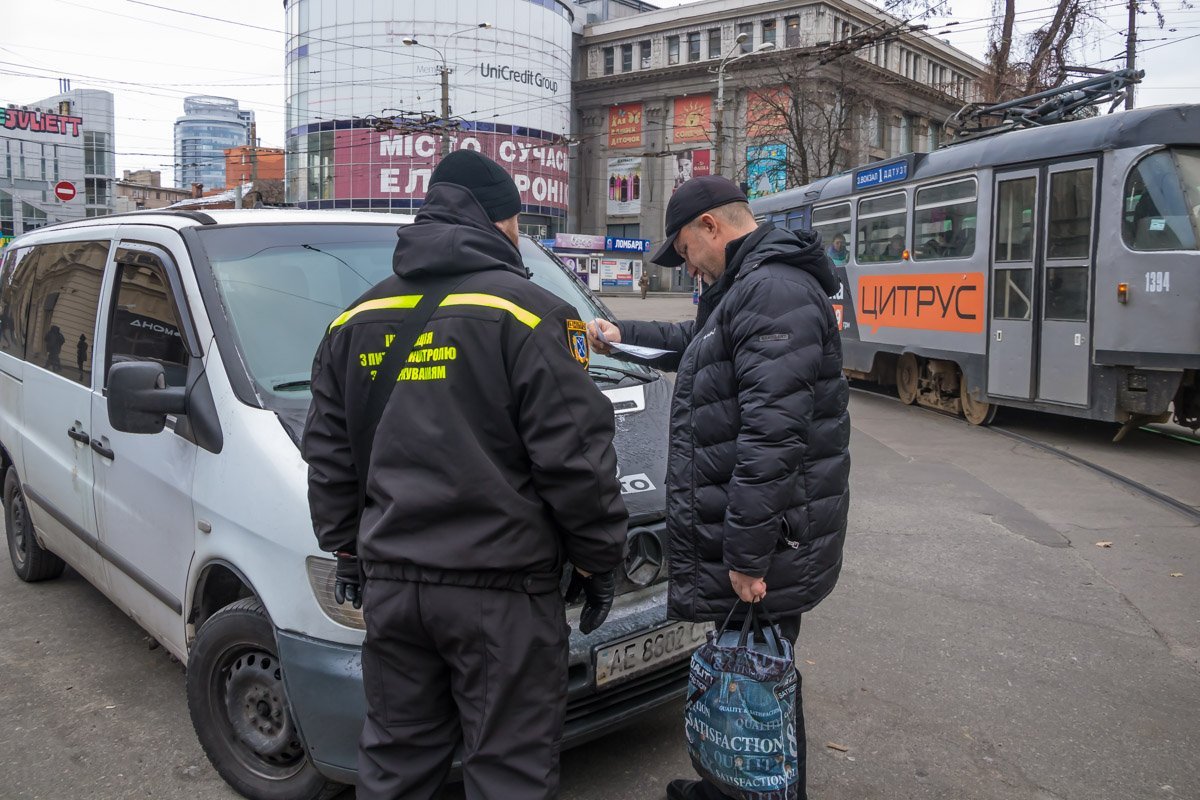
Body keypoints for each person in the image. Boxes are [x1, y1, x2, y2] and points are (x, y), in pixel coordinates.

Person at [303, 149, 629, 800]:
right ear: (502, 224)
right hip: (501, 594)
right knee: (506, 771)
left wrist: (346, 549)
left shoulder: (352, 321)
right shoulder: (532, 314)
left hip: (393, 589)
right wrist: (599, 562)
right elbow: (576, 463)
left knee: (397, 764)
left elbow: (330, 456)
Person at [587, 175, 850, 800]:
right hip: (772, 530)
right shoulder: (747, 288)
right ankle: (740, 786)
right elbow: (699, 345)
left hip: (773, 538)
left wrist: (746, 554)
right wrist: (624, 335)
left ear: (712, 226)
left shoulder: (773, 290)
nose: (685, 264)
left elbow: (772, 436)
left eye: (683, 249)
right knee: (754, 666)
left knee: (763, 674)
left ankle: (765, 790)